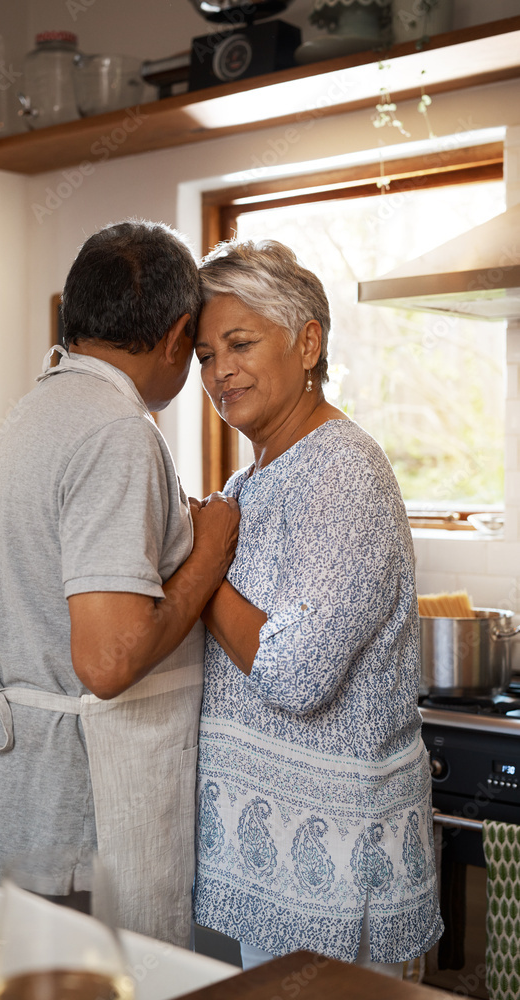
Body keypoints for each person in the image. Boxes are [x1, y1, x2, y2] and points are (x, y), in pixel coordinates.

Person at [0, 219, 239, 949]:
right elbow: (106, 662)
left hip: (17, 801)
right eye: (197, 349)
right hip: (76, 820)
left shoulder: (32, 413)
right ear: (174, 337)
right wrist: (210, 549)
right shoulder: (117, 433)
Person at [192, 238, 443, 974]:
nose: (219, 371)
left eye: (239, 343)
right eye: (205, 355)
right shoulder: (251, 481)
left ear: (307, 343)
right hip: (273, 868)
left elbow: (292, 674)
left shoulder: (342, 472)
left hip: (334, 873)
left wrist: (202, 566)